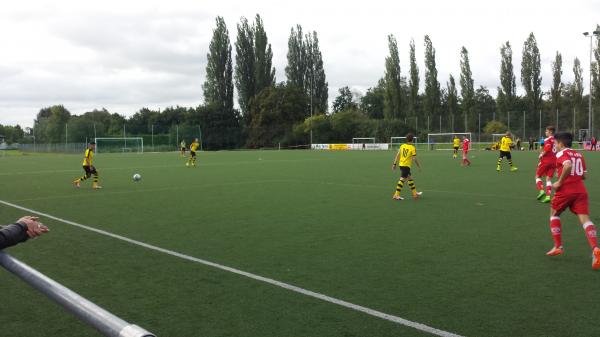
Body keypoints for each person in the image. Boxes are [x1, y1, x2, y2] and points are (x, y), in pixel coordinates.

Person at [545, 132, 600, 270]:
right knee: (585, 219)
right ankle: (595, 248)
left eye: (555, 144)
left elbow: (568, 165)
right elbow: (584, 175)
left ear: (561, 144)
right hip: (581, 191)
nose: (555, 146)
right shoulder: (579, 155)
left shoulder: (561, 154)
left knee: (554, 214)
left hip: (565, 191)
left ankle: (558, 246)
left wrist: (559, 181)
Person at [391, 133, 422, 200]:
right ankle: (396, 195)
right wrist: (418, 166)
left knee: (410, 178)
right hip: (406, 166)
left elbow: (397, 155)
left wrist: (394, 164)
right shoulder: (412, 147)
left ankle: (414, 193)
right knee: (402, 179)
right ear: (412, 139)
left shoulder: (402, 146)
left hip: (401, 165)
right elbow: (414, 158)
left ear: (407, 139)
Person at [535, 126, 557, 203]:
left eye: (547, 131)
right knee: (548, 179)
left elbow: (547, 148)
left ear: (550, 132)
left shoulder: (547, 139)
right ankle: (548, 196)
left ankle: (541, 191)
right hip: (554, 162)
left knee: (537, 176)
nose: (545, 132)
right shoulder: (556, 140)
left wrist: (541, 154)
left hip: (546, 160)